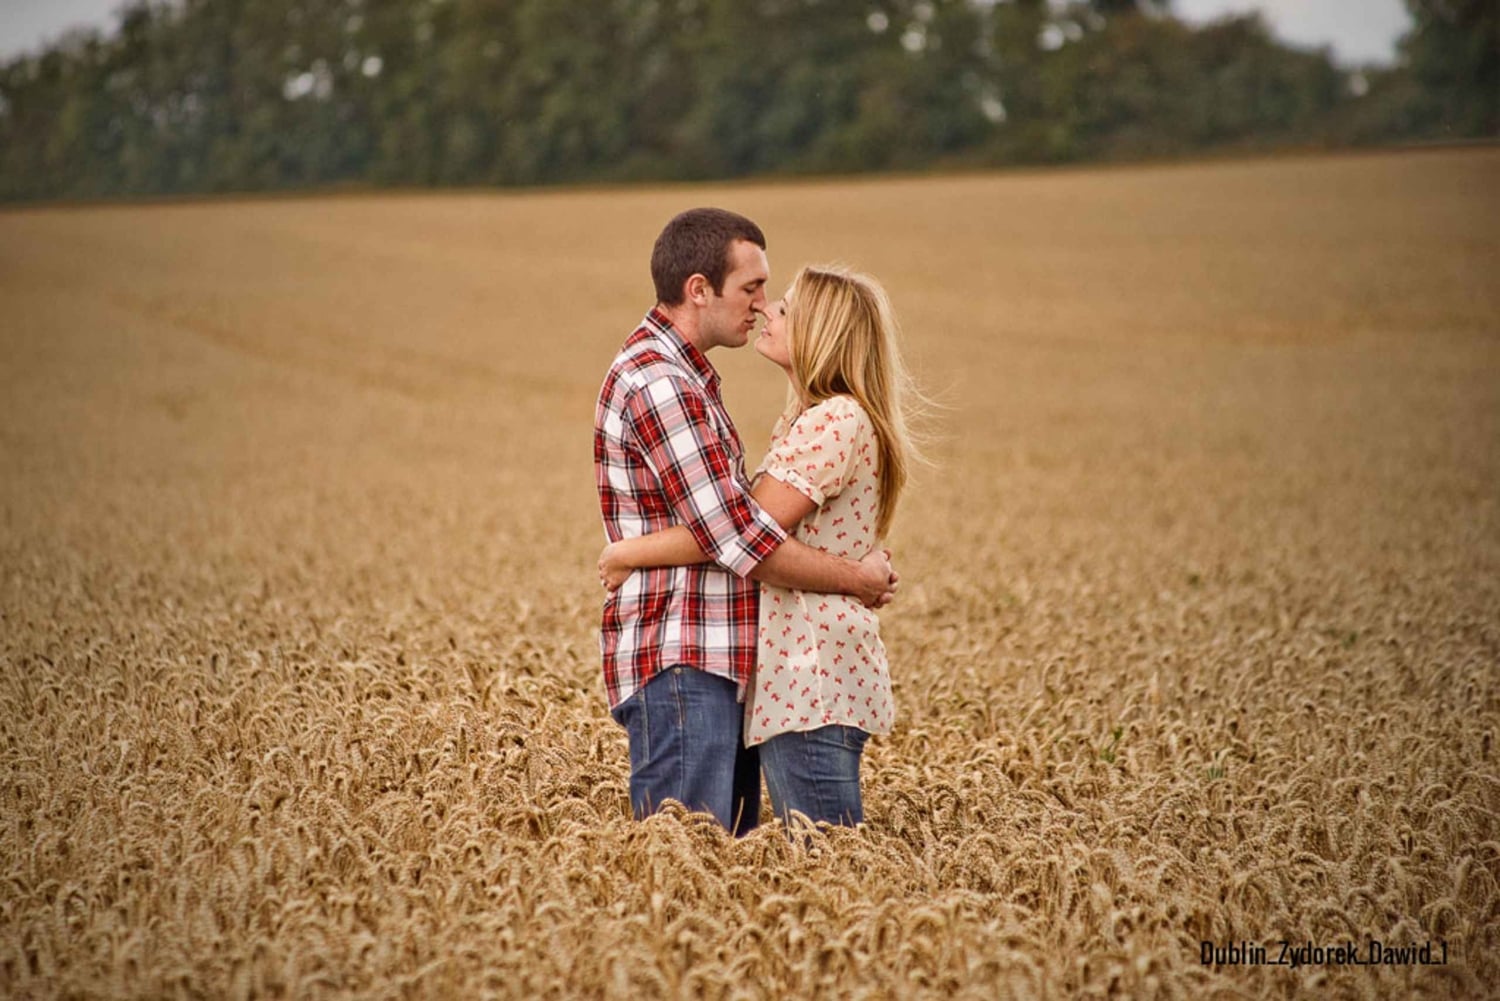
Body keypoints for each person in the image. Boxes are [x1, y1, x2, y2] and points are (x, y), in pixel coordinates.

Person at [594, 209, 898, 836]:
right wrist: (856, 578)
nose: (762, 306)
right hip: (684, 654)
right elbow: (738, 535)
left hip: (723, 663)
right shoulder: (663, 383)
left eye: (774, 297)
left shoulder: (695, 380)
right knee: (688, 871)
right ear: (699, 290)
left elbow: (737, 523)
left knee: (718, 870)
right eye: (753, 289)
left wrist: (633, 552)